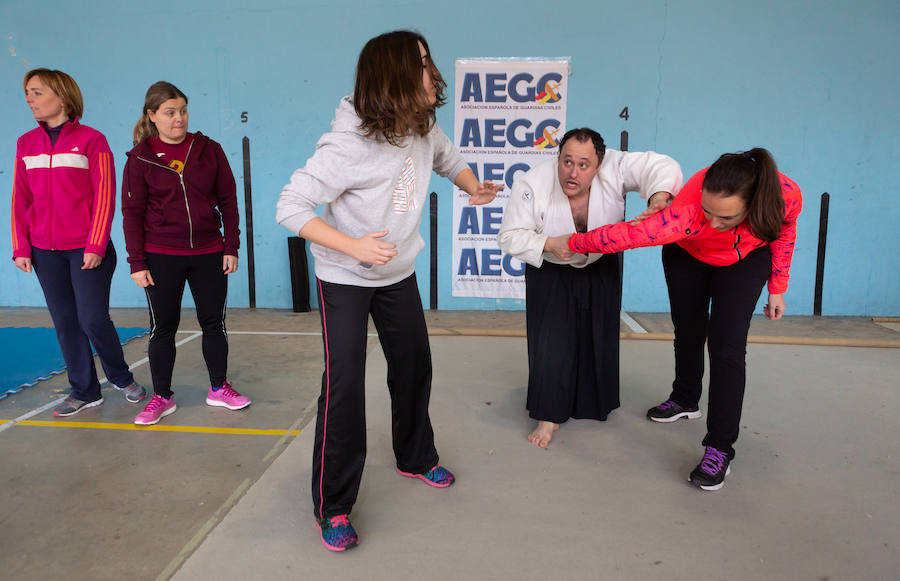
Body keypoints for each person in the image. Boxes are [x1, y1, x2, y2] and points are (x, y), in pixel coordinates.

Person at [276, 30, 502, 552]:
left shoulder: (420, 126)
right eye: (422, 63)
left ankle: (415, 457)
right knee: (345, 388)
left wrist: (473, 187)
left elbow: (446, 158)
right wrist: (353, 246)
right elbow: (290, 207)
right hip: (345, 278)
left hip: (397, 272)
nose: (433, 72)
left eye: (429, 60)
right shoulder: (347, 145)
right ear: (394, 74)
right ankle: (333, 504)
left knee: (414, 365)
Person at [563, 147, 802, 490]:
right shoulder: (687, 215)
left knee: (727, 349)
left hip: (744, 260)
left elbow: (785, 231)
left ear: (753, 206)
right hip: (688, 252)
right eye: (709, 212)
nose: (714, 224)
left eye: (726, 218)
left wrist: (778, 287)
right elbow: (625, 236)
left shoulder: (785, 196)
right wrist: (569, 242)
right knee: (687, 329)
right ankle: (685, 398)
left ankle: (720, 448)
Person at [498, 128, 682, 448]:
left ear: (599, 164)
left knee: (598, 332)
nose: (573, 172)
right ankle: (549, 415)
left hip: (601, 261)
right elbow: (509, 236)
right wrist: (548, 242)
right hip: (551, 267)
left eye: (584, 165)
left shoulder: (614, 167)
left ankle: (591, 401)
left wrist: (658, 197)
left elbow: (661, 165)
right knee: (551, 340)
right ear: (558, 158)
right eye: (567, 161)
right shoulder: (531, 183)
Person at [11, 68, 146, 417]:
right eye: (28, 92)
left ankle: (121, 377)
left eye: (37, 92)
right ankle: (85, 391)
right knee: (65, 323)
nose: (29, 99)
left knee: (92, 319)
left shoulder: (92, 140)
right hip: (44, 251)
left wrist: (96, 244)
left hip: (87, 249)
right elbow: (20, 199)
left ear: (62, 96)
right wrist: (21, 247)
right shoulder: (26, 143)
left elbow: (105, 195)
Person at [122, 81, 248, 426]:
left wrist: (231, 246)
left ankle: (219, 388)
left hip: (209, 252)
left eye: (183, 111)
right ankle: (162, 397)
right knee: (162, 327)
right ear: (152, 115)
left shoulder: (209, 150)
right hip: (161, 255)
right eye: (170, 112)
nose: (179, 118)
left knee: (214, 323)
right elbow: (132, 213)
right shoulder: (139, 159)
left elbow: (229, 200)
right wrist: (137, 262)